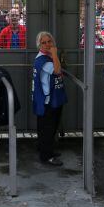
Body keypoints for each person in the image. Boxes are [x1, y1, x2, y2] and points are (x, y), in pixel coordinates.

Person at [32, 31, 66, 166]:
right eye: (44, 42)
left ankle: (44, 148)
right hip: (48, 100)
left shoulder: (46, 58)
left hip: (49, 99)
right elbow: (57, 71)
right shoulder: (43, 60)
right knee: (48, 128)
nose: (47, 45)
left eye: (49, 42)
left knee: (45, 127)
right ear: (39, 45)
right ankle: (47, 156)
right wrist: (55, 54)